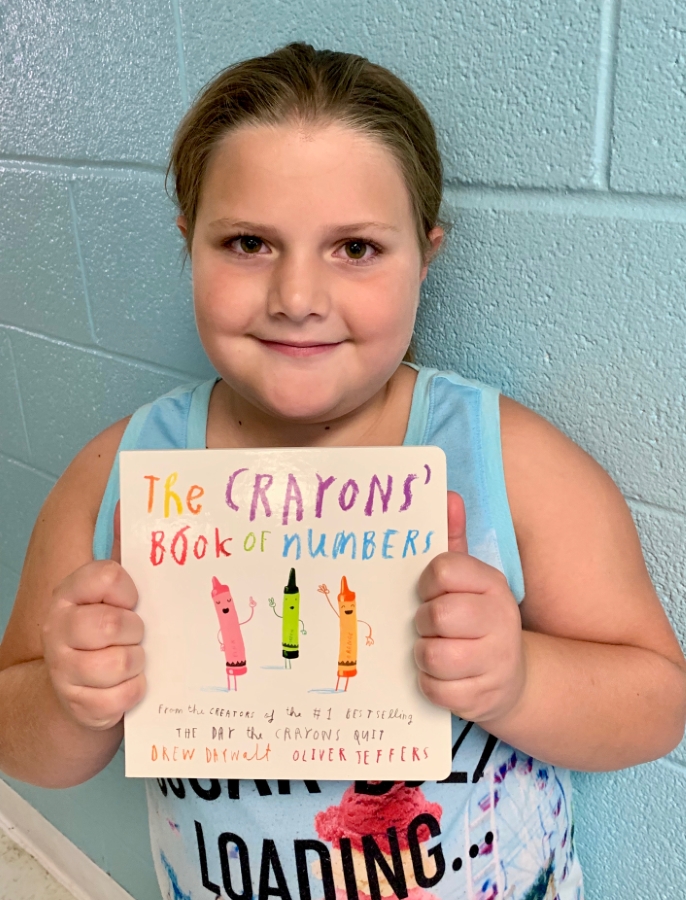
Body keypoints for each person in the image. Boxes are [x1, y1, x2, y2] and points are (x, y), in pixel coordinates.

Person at [0, 41, 684, 900]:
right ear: (190, 242)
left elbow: (658, 704)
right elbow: (19, 738)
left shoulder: (509, 462)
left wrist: (517, 680)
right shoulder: (120, 475)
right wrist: (70, 699)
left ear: (426, 254)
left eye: (355, 249)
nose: (296, 295)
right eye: (249, 242)